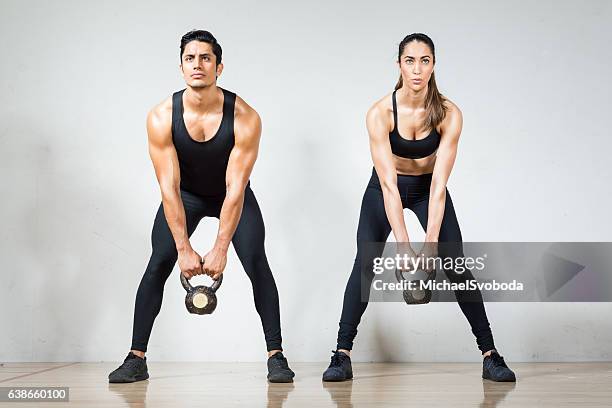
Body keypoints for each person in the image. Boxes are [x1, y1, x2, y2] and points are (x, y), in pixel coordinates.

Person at [322, 33, 516, 383]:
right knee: (365, 264)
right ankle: (341, 354)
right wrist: (404, 245)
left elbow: (439, 185)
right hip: (386, 188)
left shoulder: (449, 113)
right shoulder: (380, 113)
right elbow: (388, 186)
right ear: (399, 65)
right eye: (410, 60)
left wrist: (429, 243)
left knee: (455, 264)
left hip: (429, 190)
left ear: (433, 65)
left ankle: (490, 355)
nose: (417, 68)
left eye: (424, 60)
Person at [108, 30, 294, 384]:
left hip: (230, 196)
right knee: (158, 262)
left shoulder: (244, 116)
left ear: (219, 67)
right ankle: (136, 358)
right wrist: (183, 247)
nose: (198, 64)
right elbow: (169, 188)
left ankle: (276, 356)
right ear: (181, 68)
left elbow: (235, 188)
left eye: (205, 58)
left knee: (256, 261)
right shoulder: (162, 116)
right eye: (190, 58)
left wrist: (221, 247)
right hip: (186, 196)